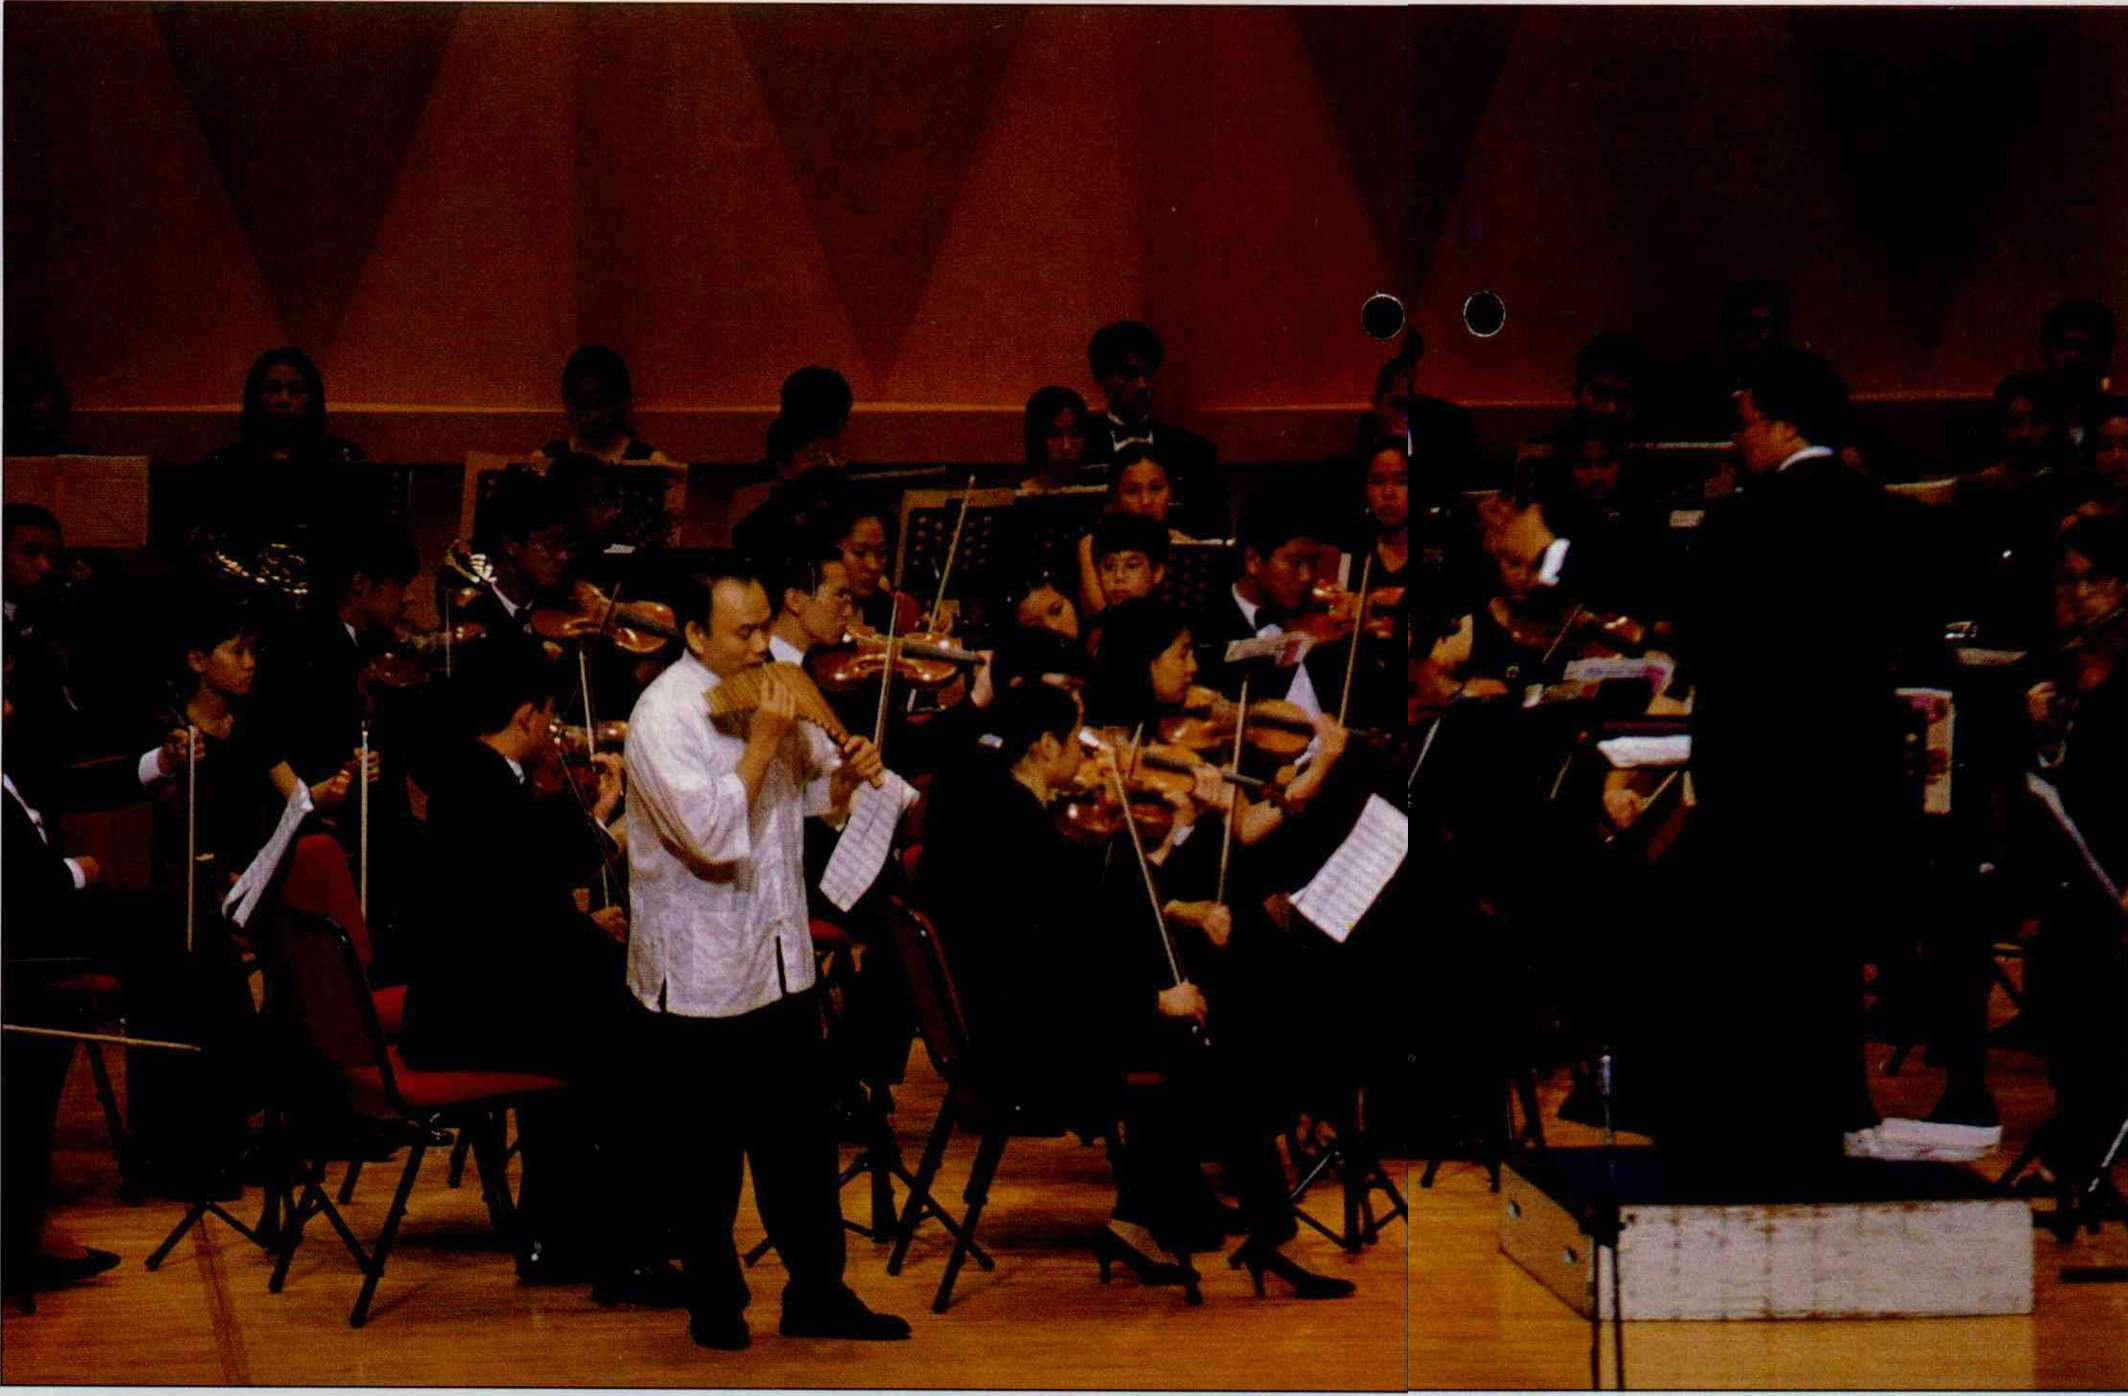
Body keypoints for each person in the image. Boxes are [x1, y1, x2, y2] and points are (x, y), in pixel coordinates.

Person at [913, 682, 1353, 1298]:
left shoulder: (1005, 811)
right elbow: (1052, 968)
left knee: (1198, 1039)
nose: (1087, 756)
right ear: (1044, 747)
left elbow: (1091, 920)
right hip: (1027, 1048)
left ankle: (1145, 1222)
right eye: (1076, 740)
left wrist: (1174, 873)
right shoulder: (1028, 834)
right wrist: (1152, 1001)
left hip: (1010, 1025)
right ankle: (1269, 1236)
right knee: (1214, 1052)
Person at [622, 560, 907, 1349]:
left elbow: (808, 798)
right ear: (695, 634)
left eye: (761, 628)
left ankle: (818, 1293)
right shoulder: (662, 717)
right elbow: (709, 838)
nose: (760, 646)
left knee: (801, 1145)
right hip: (703, 967)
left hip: (780, 954)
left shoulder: (774, 684)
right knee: (706, 1156)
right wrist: (765, 742)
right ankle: (715, 1305)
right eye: (743, 632)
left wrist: (846, 779)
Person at [1669, 347, 1916, 1184]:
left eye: (1742, 420)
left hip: (1757, 778)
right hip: (1851, 777)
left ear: (1781, 423)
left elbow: (1699, 643)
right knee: (1829, 954)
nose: (1735, 438)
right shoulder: (1881, 513)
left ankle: (1762, 1129)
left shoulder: (1738, 523)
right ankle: (1831, 1119)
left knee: (1760, 958)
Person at [398, 647, 667, 1299]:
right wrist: (586, 928)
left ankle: (563, 1234)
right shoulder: (484, 784)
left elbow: (519, 895)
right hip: (469, 1015)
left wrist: (581, 914)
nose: (554, 731)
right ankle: (623, 1251)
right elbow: (515, 913)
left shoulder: (479, 776)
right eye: (549, 716)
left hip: (475, 995)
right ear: (525, 716)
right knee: (633, 1046)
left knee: (598, 1034)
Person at [2, 650, 200, 1297]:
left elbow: (68, 785)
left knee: (182, 931)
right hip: (24, 951)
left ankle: (179, 1134)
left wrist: (160, 762)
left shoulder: (12, 757)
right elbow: (18, 888)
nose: (9, 708)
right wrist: (76, 873)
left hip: (42, 927)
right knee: (167, 945)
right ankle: (27, 1221)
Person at [1082, 322, 1225, 538]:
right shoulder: (1081, 450)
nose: (1143, 385)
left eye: (1149, 374)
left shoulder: (1197, 453)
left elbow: (1214, 534)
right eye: (1130, 374)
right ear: (1102, 379)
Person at [1075, 448, 1191, 618]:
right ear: (1114, 497)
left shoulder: (1184, 546)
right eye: (1132, 491)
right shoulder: (1092, 542)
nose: (1146, 501)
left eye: (1156, 488)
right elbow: (1098, 609)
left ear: (1171, 492)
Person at [533, 346, 672, 467]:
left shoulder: (650, 462)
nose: (593, 415)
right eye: (584, 404)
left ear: (618, 402)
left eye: (600, 403)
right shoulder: (546, 458)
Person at [1020, 385, 1092, 492]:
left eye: (1075, 434)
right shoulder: (1016, 496)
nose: (1066, 447)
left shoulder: (1100, 491)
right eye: (1055, 435)